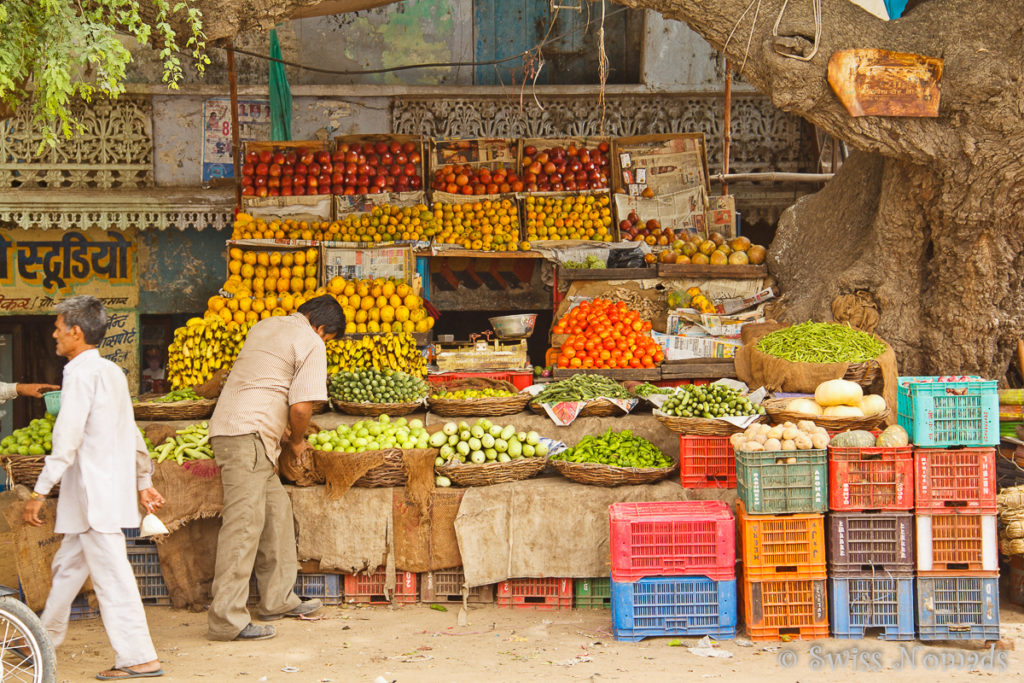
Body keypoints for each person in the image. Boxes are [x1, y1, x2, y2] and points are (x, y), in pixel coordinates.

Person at [22, 295, 166, 681]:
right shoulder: (111, 373)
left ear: (76, 331)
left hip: (93, 493)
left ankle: (139, 658)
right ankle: (41, 639)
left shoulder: (80, 373)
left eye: (57, 327)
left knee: (113, 576)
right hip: (99, 494)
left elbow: (66, 439)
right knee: (67, 567)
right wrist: (143, 480)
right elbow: (132, 433)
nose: (53, 334)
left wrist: (39, 492)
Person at [207, 295, 345, 642]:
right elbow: (301, 408)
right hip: (247, 437)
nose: (324, 344)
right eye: (328, 339)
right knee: (244, 526)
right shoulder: (311, 341)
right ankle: (227, 619)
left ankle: (277, 599)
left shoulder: (266, 325)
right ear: (322, 327)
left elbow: (265, 382)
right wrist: (297, 440)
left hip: (241, 433)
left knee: (277, 513)